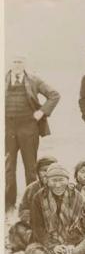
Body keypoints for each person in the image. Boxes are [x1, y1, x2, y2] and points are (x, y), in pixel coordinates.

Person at [5, 55, 60, 215]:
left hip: (28, 128)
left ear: (25, 64)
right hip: (8, 129)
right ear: (9, 63)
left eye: (20, 61)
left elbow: (54, 95)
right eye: (14, 61)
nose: (17, 64)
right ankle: (8, 205)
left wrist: (41, 112)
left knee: (30, 168)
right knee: (8, 168)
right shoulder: (4, 79)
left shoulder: (34, 80)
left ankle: (31, 204)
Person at [24, 164, 85, 254]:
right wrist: (53, 246)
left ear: (67, 180)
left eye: (61, 180)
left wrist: (70, 244)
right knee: (30, 251)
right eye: (54, 181)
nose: (58, 185)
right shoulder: (38, 198)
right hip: (48, 240)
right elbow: (37, 227)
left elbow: (80, 224)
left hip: (72, 239)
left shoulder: (77, 197)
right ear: (47, 181)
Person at [8, 156, 58, 253]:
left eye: (51, 170)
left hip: (56, 225)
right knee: (17, 228)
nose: (47, 173)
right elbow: (23, 210)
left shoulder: (60, 186)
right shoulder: (31, 189)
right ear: (38, 172)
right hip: (35, 224)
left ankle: (42, 243)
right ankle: (39, 242)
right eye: (44, 170)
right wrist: (33, 219)